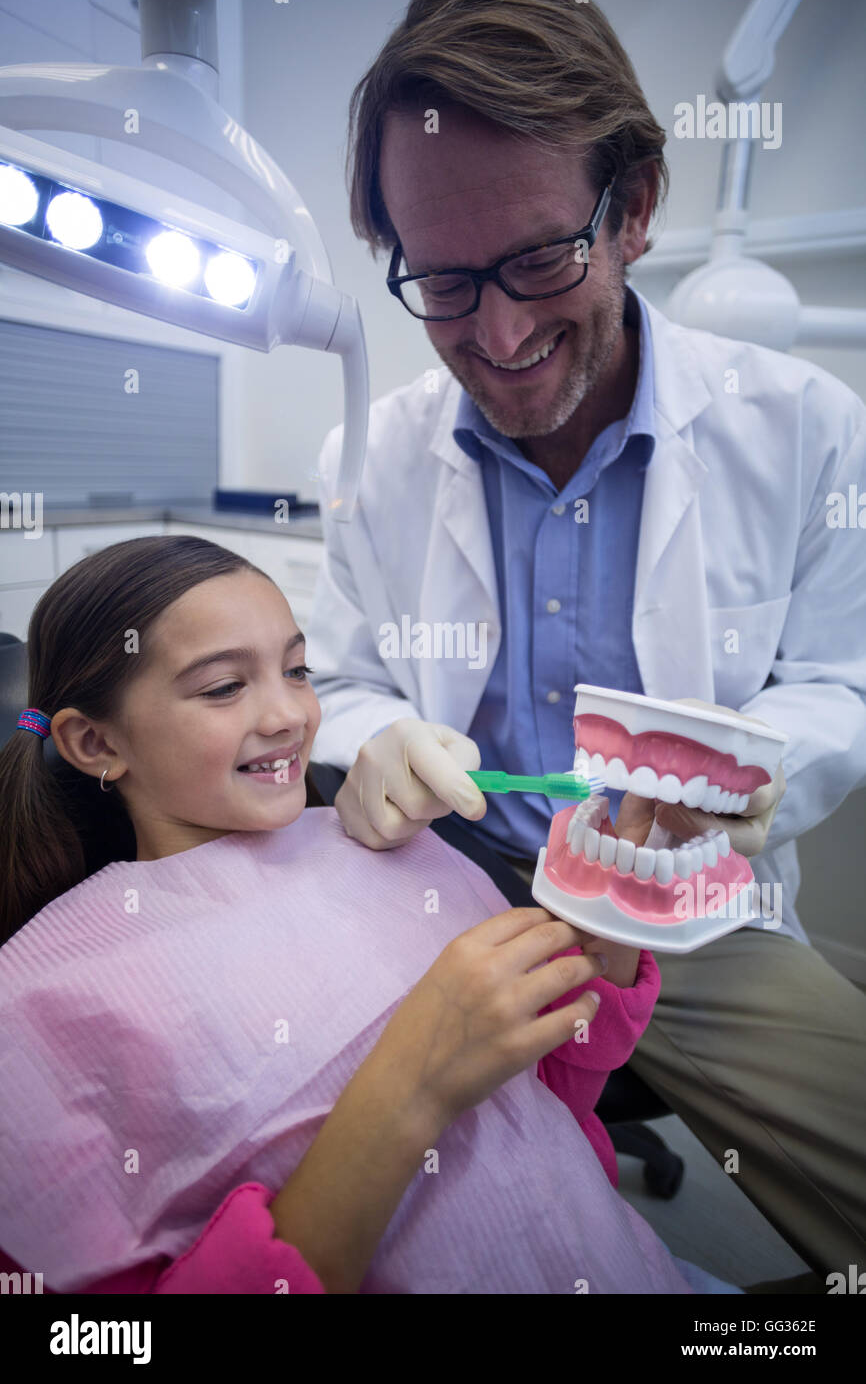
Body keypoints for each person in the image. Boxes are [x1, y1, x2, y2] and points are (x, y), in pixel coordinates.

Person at [304, 0, 866, 1283]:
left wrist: (748, 766)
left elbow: (839, 680)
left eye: (541, 260)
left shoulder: (801, 426)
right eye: (443, 281)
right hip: (437, 894)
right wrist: (372, 734)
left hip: (683, 919)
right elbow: (333, 675)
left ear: (636, 205)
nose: (497, 338)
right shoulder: (371, 454)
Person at [0, 534, 746, 1295]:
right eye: (225, 687)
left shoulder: (387, 849)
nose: (290, 713)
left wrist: (611, 902)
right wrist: (412, 1083)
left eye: (297, 669)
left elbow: (551, 1097)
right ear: (96, 741)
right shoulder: (41, 1000)